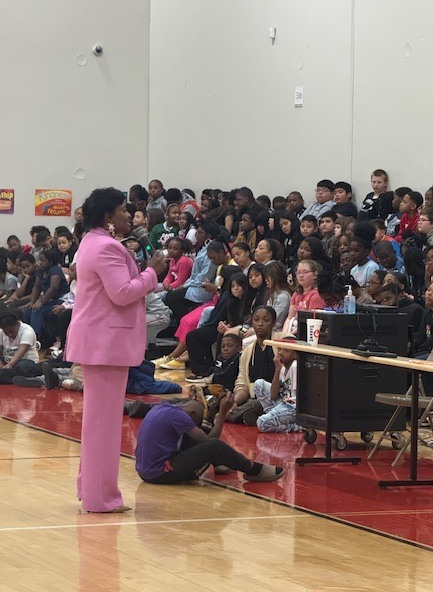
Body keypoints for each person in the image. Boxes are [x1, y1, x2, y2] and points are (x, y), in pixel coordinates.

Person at [65, 187, 165, 513]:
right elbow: (122, 293)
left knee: (98, 423)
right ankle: (100, 498)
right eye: (123, 210)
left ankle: (91, 490)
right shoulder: (106, 246)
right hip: (105, 344)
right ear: (109, 216)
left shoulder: (93, 242)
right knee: (103, 425)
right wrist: (152, 272)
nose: (128, 215)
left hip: (99, 342)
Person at [135, 392, 285, 484]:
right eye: (197, 420)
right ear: (192, 415)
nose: (196, 425)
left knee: (193, 437)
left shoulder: (162, 407)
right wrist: (222, 414)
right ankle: (254, 470)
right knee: (213, 446)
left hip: (145, 471)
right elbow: (209, 443)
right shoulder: (179, 417)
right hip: (158, 473)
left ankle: (219, 464)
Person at [232, 305, 277, 424]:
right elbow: (242, 383)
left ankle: (229, 415)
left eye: (266, 320)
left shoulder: (282, 344)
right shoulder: (247, 352)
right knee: (225, 401)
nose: (260, 324)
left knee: (251, 406)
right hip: (252, 399)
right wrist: (234, 402)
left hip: (277, 399)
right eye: (256, 320)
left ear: (273, 323)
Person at [253, 340, 300, 433]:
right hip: (284, 402)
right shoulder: (283, 368)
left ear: (295, 355)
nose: (280, 353)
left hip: (293, 407)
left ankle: (296, 427)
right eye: (280, 349)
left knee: (261, 423)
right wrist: (277, 369)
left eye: (286, 351)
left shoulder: (295, 366)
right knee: (258, 384)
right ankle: (272, 416)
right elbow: (273, 395)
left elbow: (295, 400)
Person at [23, 249, 70, 339]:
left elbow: (53, 289)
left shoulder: (56, 269)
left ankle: (35, 338)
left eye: (43, 260)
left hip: (62, 299)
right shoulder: (41, 270)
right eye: (40, 260)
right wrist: (32, 302)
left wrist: (41, 302)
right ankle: (27, 337)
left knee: (37, 310)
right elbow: (37, 287)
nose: (40, 263)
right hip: (50, 299)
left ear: (51, 261)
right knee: (27, 311)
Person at [282, 260, 325, 334]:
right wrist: (284, 334)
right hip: (293, 327)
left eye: (305, 272)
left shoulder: (316, 295)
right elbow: (289, 318)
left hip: (305, 332)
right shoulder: (296, 294)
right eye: (298, 272)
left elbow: (310, 321)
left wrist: (290, 335)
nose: (301, 275)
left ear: (315, 275)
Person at [0, 310, 40, 384]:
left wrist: (9, 365)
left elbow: (22, 350)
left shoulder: (27, 331)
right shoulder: (1, 332)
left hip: (25, 361)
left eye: (11, 331)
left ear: (17, 324)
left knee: (22, 367)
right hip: (7, 361)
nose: (10, 335)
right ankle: (10, 377)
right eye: (6, 333)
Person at [349, 222, 379, 288]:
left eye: (356, 251)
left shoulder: (372, 267)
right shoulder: (353, 270)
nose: (352, 254)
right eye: (350, 250)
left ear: (367, 251)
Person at [265, 261, 292, 331]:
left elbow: (277, 322)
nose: (266, 280)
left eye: (268, 277)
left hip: (276, 332)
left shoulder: (284, 296)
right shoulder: (273, 293)